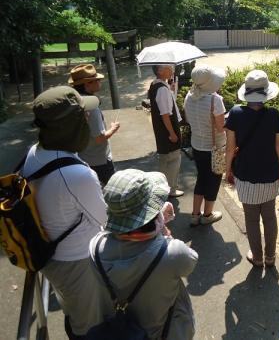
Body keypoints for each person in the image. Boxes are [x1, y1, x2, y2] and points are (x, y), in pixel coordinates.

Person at [23, 86, 108, 338]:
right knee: (90, 325)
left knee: (76, 314)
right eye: (83, 116)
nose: (87, 119)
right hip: (77, 262)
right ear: (70, 125)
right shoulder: (76, 174)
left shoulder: (36, 152)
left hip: (55, 254)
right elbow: (104, 219)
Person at [89, 169, 198, 340]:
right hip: (166, 331)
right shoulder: (172, 253)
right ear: (151, 214)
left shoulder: (95, 247)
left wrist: (154, 220)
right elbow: (191, 260)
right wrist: (162, 231)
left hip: (120, 330)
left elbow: (121, 234)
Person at [225, 69, 279, 267]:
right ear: (266, 93)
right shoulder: (274, 114)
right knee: (269, 217)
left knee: (251, 219)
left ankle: (257, 258)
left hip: (245, 173)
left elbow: (230, 147)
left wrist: (228, 170)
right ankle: (270, 257)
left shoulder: (235, 113)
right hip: (269, 173)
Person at [183, 64, 226, 226]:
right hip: (213, 148)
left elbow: (188, 120)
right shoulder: (215, 100)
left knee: (201, 177)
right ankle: (207, 214)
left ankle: (195, 214)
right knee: (213, 180)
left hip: (197, 145)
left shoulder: (189, 96)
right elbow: (220, 127)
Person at [68, 64, 120, 185]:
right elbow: (99, 138)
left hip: (83, 156)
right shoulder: (92, 107)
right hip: (99, 160)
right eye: (97, 80)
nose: (100, 82)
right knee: (112, 190)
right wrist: (113, 129)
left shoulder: (75, 102)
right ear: (87, 84)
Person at [148, 64, 183, 197]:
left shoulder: (156, 85)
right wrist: (172, 133)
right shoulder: (162, 89)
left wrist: (171, 90)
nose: (172, 70)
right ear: (160, 71)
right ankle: (170, 189)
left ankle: (163, 188)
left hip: (161, 130)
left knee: (165, 160)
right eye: (169, 68)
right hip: (167, 130)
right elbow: (165, 114)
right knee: (173, 160)